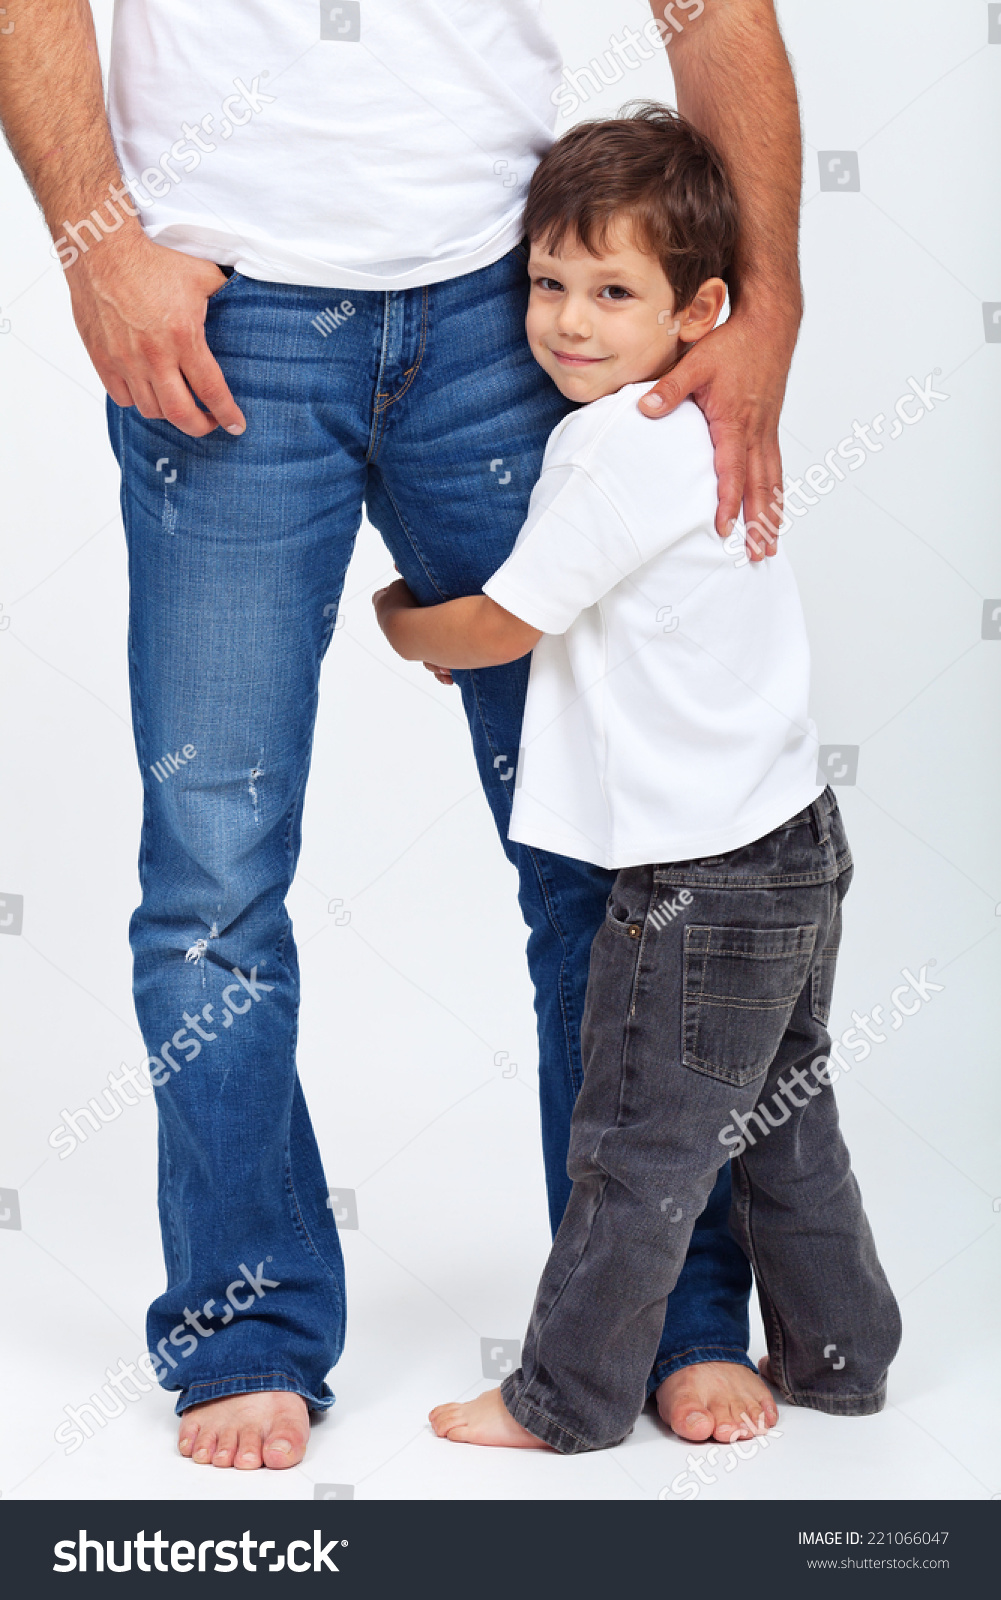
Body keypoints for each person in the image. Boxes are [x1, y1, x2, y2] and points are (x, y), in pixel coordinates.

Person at [0, 1, 803, 1469]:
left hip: (519, 310)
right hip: (219, 314)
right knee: (210, 885)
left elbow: (712, 13)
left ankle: (670, 1314)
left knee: (625, 867)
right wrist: (93, 240)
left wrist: (768, 303)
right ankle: (245, 1326)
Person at [374, 106, 902, 1452]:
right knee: (781, 1120)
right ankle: (840, 1355)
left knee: (637, 1142)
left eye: (613, 292)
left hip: (695, 875)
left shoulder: (612, 442)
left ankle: (564, 1397)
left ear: (701, 307)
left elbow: (502, 623)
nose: (567, 321)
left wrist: (403, 621)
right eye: (547, 283)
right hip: (794, 843)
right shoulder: (715, 422)